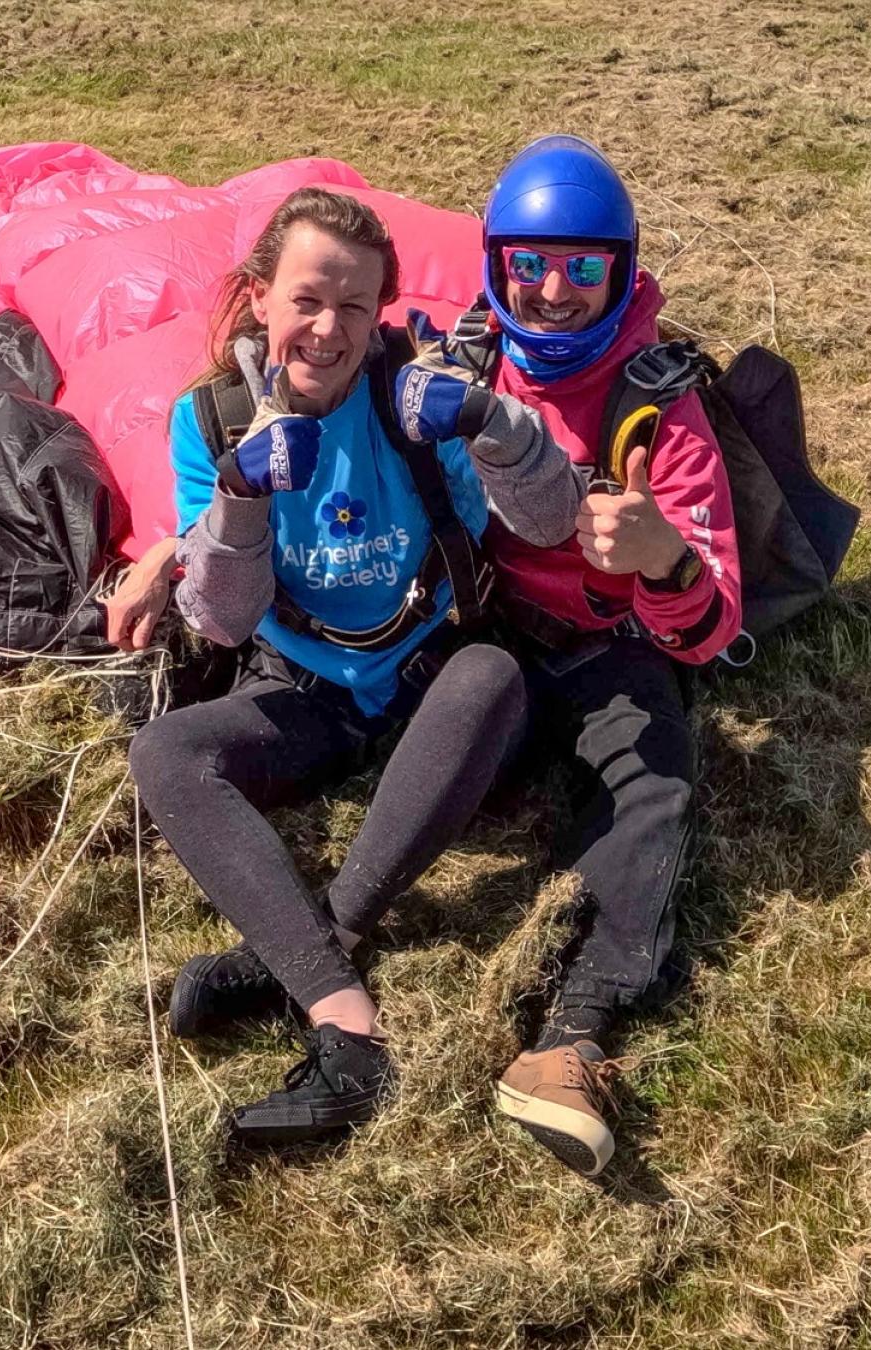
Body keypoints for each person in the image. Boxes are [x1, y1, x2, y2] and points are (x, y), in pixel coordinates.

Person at [127, 187, 582, 1146]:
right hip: (300, 689)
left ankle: (313, 944)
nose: (328, 330)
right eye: (306, 300)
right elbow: (219, 621)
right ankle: (348, 1031)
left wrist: (492, 424)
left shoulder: (412, 393)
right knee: (168, 755)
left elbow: (547, 521)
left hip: (427, 678)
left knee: (495, 674)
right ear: (259, 297)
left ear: (383, 310)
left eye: (354, 307)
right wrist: (243, 494)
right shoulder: (207, 421)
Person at [473, 136, 743, 1178]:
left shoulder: (657, 408)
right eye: (528, 264)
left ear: (620, 272)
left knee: (658, 792)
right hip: (479, 640)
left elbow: (714, 623)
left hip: (607, 650)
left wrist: (664, 558)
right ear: (494, 263)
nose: (550, 291)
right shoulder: (458, 362)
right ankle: (327, 959)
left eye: (583, 268)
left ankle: (573, 1036)